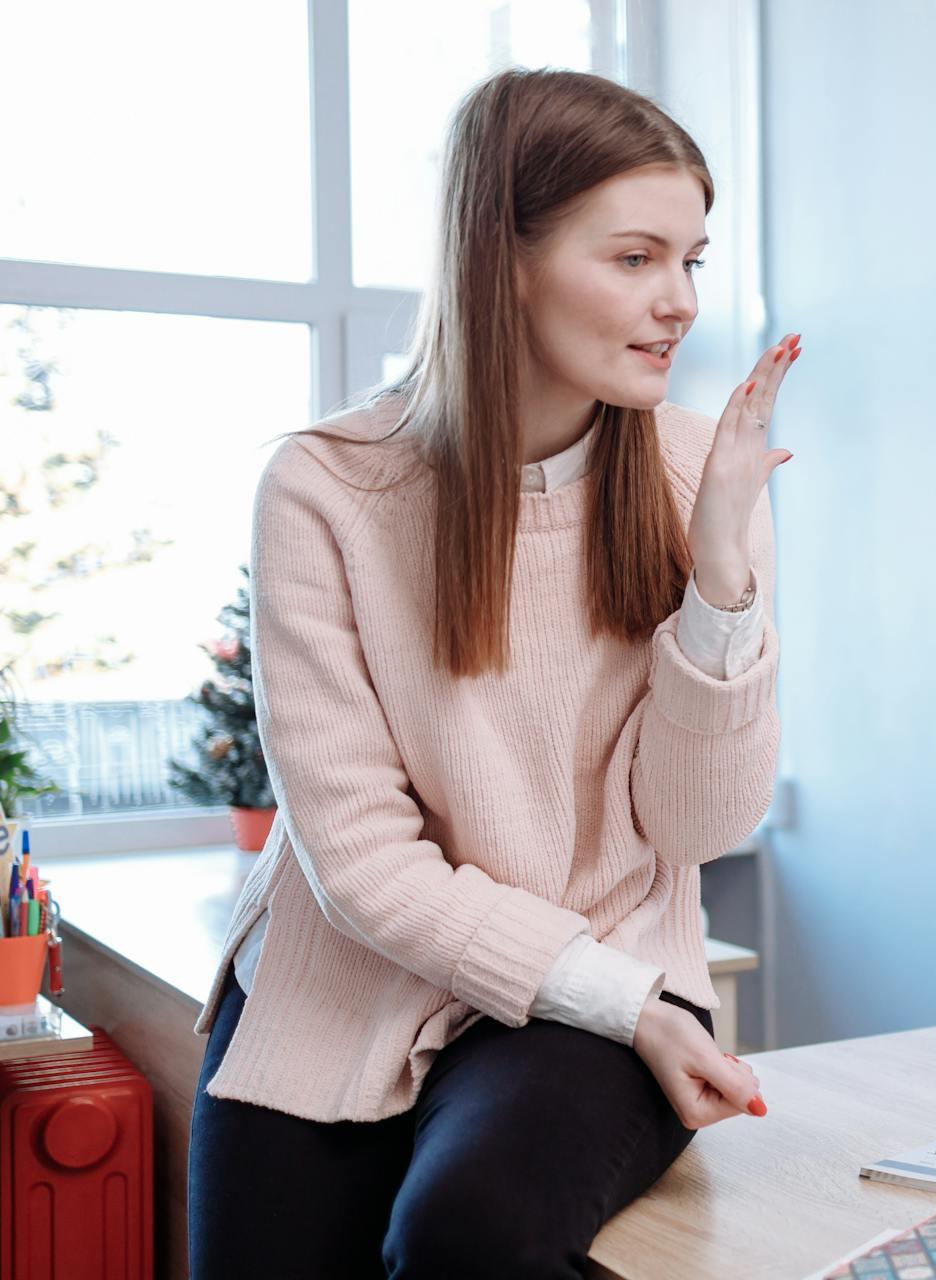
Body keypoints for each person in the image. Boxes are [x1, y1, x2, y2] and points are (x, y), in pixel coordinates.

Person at [186, 68, 800, 1278]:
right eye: (635, 258)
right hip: (341, 984)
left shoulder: (697, 473)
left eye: (693, 261)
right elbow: (359, 855)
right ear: (502, 260)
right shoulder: (325, 488)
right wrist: (627, 1001)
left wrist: (719, 577)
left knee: (470, 1238)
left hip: (600, 970)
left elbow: (698, 823)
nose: (678, 302)